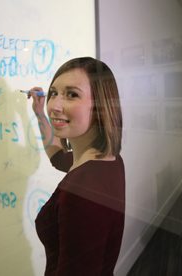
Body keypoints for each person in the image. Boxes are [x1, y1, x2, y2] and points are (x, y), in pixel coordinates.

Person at [28, 57, 125, 275]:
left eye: (72, 94)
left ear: (100, 105)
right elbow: (58, 157)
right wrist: (39, 113)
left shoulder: (81, 193)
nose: (54, 105)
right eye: (54, 93)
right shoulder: (108, 161)